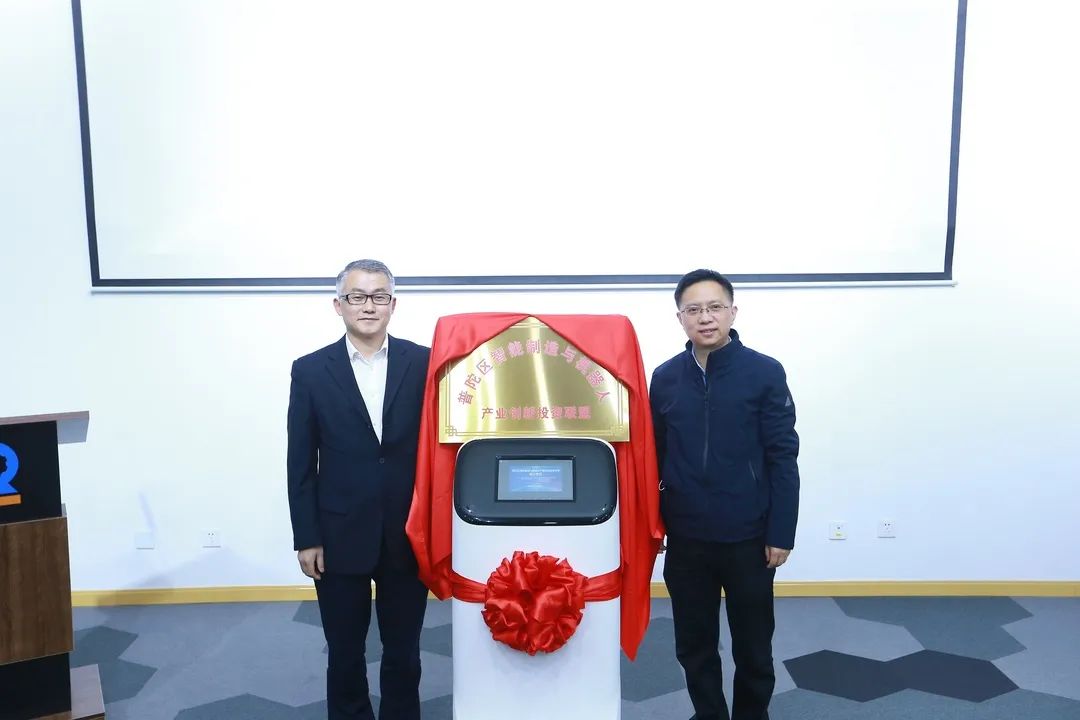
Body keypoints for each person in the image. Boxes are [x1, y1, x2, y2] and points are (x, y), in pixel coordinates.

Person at [649, 269, 800, 720]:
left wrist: (781, 532)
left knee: (753, 647)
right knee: (693, 645)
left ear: (733, 312)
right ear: (680, 318)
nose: (705, 317)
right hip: (688, 538)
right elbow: (655, 458)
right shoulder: (665, 378)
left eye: (714, 307)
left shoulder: (764, 372)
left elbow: (783, 456)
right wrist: (655, 524)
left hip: (749, 537)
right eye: (694, 309)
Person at [287, 259, 430, 720]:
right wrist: (307, 537)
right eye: (357, 296)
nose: (368, 306)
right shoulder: (311, 370)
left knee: (404, 651)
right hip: (338, 534)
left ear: (393, 304)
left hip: (406, 533)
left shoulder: (424, 363)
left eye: (379, 296)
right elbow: (300, 461)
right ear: (339, 305)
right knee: (345, 652)